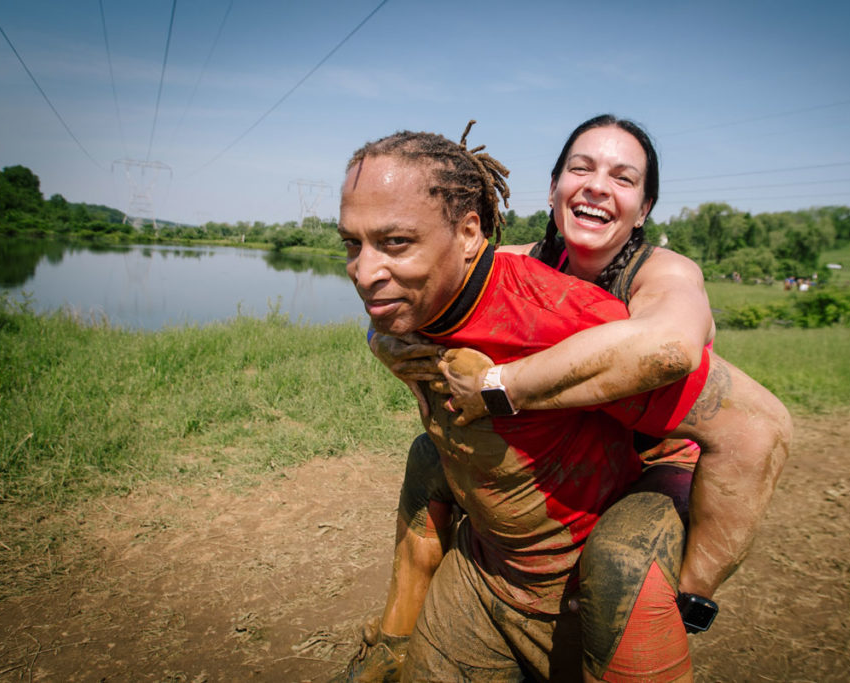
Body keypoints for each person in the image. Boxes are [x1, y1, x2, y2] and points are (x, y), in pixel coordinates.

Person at [335, 125, 792, 681]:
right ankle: (395, 642)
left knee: (623, 561)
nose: (597, 187)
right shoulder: (505, 264)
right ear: (552, 189)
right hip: (561, 463)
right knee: (427, 458)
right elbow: (424, 283)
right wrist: (386, 342)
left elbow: (676, 355)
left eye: (622, 178)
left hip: (658, 452)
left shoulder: (661, 275)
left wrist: (500, 386)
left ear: (644, 209)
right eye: (580, 169)